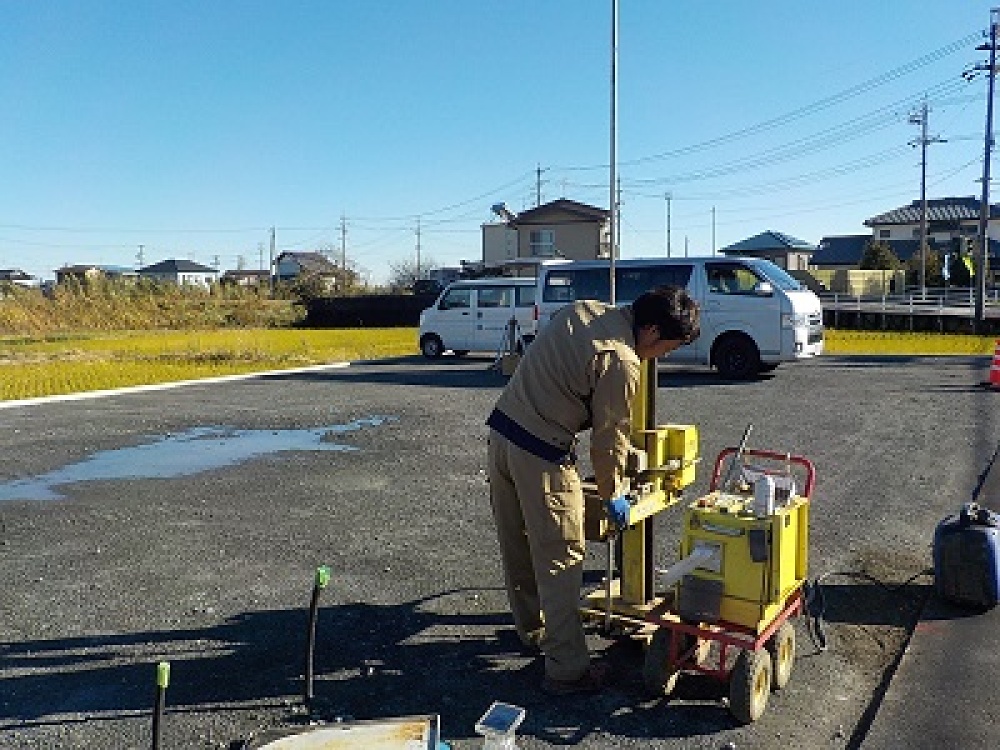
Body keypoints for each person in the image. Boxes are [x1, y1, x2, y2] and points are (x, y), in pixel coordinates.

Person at [485, 285, 701, 695]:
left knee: (519, 544)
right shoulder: (621, 360)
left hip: (501, 436)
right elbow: (609, 438)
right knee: (562, 558)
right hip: (542, 454)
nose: (664, 356)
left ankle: (534, 631)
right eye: (668, 348)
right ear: (652, 331)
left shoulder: (584, 310)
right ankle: (567, 670)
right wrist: (614, 492)